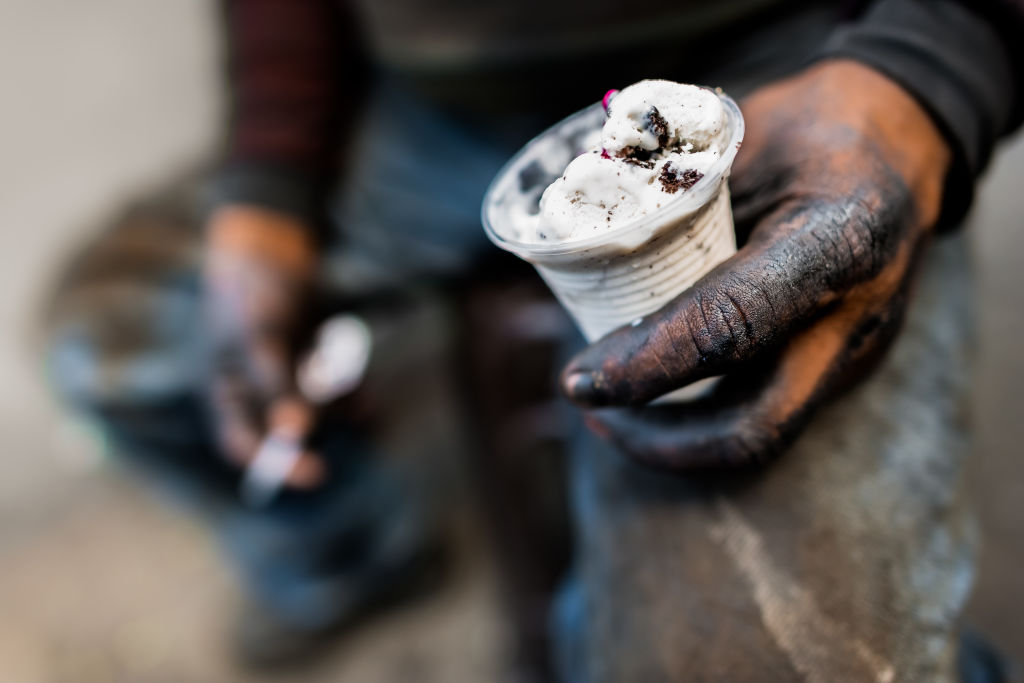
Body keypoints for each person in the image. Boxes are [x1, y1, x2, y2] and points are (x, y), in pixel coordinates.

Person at [44, 0, 1023, 680]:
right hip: (432, 119)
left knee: (763, 653)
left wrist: (926, 69)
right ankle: (347, 552)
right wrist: (264, 192)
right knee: (112, 344)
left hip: (790, 74)